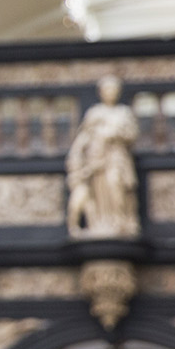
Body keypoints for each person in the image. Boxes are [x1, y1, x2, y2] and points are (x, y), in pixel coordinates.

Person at [66, 75, 140, 238]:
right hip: (98, 162)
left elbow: (132, 134)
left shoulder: (123, 113)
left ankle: (121, 221)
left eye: (113, 89)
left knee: (116, 184)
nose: (110, 93)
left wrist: (114, 134)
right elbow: (83, 138)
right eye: (107, 89)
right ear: (101, 92)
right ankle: (101, 222)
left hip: (117, 159)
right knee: (99, 190)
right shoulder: (95, 113)